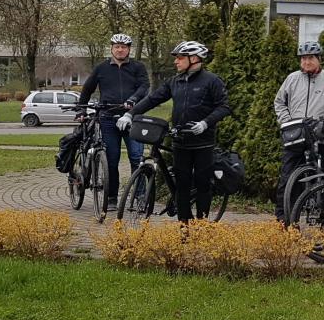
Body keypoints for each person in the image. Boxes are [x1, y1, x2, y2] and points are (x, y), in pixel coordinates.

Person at [117, 41, 230, 223]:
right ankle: (184, 226)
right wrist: (130, 114)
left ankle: (202, 227)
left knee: (202, 184)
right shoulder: (174, 81)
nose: (176, 61)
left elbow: (224, 107)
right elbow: (152, 99)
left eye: (180, 58)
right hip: (180, 141)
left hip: (203, 143)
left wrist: (205, 123)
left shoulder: (211, 80)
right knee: (181, 185)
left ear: (194, 59)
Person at [272, 41, 324, 221]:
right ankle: (283, 219)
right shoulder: (292, 78)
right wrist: (287, 121)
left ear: (319, 59)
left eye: (311, 58)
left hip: (321, 134)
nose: (306, 62)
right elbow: (279, 102)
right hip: (295, 136)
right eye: (303, 58)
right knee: (287, 178)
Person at [77, 33, 150, 211]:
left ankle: (140, 196)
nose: (120, 50)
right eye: (117, 46)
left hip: (132, 117)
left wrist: (133, 99)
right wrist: (81, 109)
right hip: (108, 118)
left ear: (129, 50)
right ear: (111, 48)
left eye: (123, 47)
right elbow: (87, 89)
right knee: (111, 159)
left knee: (137, 158)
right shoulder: (101, 68)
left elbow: (144, 87)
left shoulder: (138, 67)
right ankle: (111, 198)